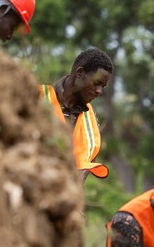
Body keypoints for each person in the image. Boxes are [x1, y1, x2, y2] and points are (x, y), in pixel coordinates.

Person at [40, 47, 113, 182]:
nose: (99, 91)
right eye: (97, 83)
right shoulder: (37, 97)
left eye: (103, 86)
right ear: (79, 73)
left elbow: (86, 165)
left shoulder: (90, 120)